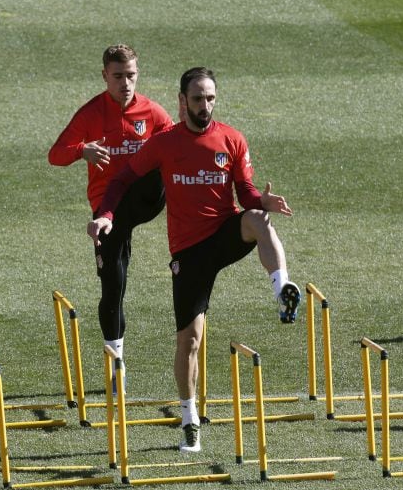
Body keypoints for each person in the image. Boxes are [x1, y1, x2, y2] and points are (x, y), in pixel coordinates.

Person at [88, 67, 301, 452]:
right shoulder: (164, 143)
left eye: (211, 98)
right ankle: (189, 420)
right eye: (199, 99)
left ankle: (281, 287)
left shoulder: (232, 139)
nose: (206, 106)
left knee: (257, 219)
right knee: (190, 341)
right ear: (182, 101)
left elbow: (247, 192)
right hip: (188, 252)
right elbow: (120, 180)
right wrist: (106, 214)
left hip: (223, 235)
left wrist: (261, 202)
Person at [48, 44, 174, 390]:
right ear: (105, 76)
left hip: (145, 200)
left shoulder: (151, 112)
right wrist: (82, 151)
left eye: (131, 75)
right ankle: (116, 360)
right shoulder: (91, 114)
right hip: (108, 212)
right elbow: (54, 155)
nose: (125, 83)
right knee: (113, 286)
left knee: (156, 162)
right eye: (118, 76)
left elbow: (178, 144)